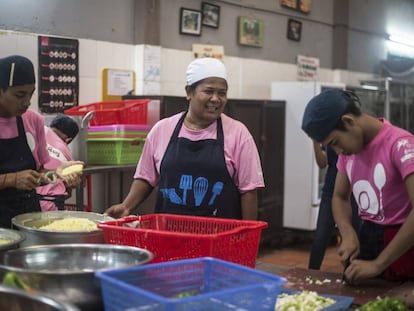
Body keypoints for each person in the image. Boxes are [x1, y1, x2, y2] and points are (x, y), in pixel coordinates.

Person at [105, 57, 264, 220]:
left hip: (219, 238)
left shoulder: (238, 134)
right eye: (209, 91)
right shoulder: (162, 130)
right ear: (189, 92)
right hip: (169, 234)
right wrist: (126, 206)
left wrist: (248, 237)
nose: (216, 99)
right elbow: (146, 178)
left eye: (222, 93)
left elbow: (249, 191)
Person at [301, 88, 414, 283]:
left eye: (335, 142)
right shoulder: (348, 153)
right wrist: (347, 232)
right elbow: (339, 196)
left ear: (348, 121)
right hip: (368, 235)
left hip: (403, 244)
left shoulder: (400, 145)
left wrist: (379, 264)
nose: (338, 151)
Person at [0, 55, 83, 228]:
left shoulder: (33, 121)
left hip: (27, 217)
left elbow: (38, 176)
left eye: (31, 94)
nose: (27, 102)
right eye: (19, 95)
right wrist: (10, 180)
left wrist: (57, 173)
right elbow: (17, 179)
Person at [308, 140, 361, 270]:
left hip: (353, 191)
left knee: (354, 236)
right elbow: (322, 163)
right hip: (330, 191)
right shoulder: (329, 133)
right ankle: (311, 274)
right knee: (320, 238)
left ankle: (350, 275)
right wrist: (315, 142)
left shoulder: (350, 133)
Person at [36, 114, 80, 211]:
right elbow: (69, 190)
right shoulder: (66, 152)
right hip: (51, 204)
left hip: (27, 200)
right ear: (68, 139)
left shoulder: (38, 132)